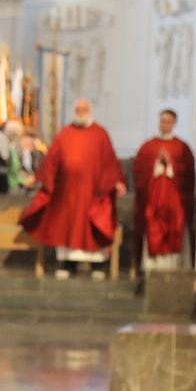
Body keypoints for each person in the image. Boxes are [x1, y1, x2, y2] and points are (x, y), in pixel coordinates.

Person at [20, 99, 126, 280]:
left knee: (92, 227)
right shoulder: (65, 133)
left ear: (90, 110)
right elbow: (51, 159)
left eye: (84, 109)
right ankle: (68, 264)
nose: (81, 112)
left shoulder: (100, 134)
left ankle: (97, 265)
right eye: (78, 109)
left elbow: (110, 161)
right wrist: (39, 177)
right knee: (67, 228)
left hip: (94, 192)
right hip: (67, 193)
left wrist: (117, 181)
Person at [132, 109, 196, 271]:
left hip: (174, 203)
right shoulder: (149, 146)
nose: (164, 124)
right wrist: (156, 164)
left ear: (174, 123)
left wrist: (171, 164)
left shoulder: (181, 147)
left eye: (168, 121)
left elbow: (188, 173)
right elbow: (139, 169)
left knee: (176, 227)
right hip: (153, 202)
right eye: (162, 121)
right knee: (153, 228)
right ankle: (151, 266)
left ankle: (176, 266)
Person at [5, 119, 37, 192]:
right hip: (12, 188)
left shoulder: (13, 149)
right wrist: (24, 181)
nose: (22, 137)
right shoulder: (10, 150)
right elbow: (11, 174)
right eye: (21, 135)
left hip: (16, 186)